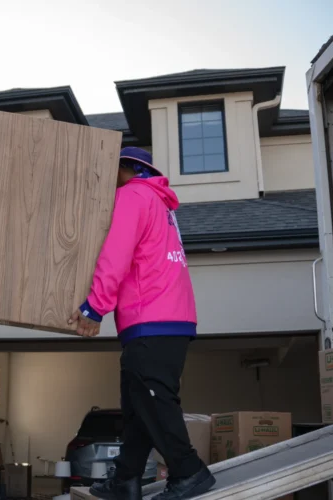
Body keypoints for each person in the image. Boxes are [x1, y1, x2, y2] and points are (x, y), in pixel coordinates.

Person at [68, 147, 215, 500]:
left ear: (127, 169)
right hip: (166, 318)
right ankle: (126, 479)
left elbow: (115, 253)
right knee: (139, 407)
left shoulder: (132, 195)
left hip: (152, 317)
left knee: (154, 401)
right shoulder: (159, 204)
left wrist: (94, 307)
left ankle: (189, 470)